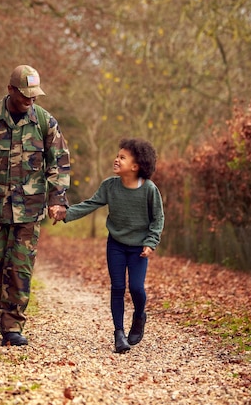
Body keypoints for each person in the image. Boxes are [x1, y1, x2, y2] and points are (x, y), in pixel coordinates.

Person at [0, 64, 71, 346]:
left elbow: (59, 162)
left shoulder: (45, 122)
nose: (30, 101)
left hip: (29, 211)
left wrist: (58, 199)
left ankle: (12, 326)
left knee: (20, 269)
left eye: (34, 97)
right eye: (25, 96)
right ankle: (1, 308)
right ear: (10, 90)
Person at [55, 138, 164, 353]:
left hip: (139, 247)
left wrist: (151, 242)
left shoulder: (149, 190)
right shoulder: (110, 186)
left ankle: (140, 315)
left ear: (136, 166)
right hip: (116, 244)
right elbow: (90, 204)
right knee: (117, 287)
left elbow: (158, 219)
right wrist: (66, 214)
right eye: (117, 155)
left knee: (136, 288)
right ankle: (119, 334)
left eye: (122, 157)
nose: (116, 159)